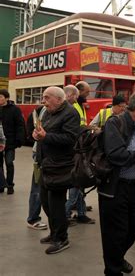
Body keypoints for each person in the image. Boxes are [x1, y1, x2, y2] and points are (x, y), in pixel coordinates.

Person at [98, 91, 135, 276]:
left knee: (134, 229)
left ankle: (117, 258)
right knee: (115, 233)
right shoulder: (115, 123)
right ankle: (113, 270)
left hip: (132, 186)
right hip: (114, 187)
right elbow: (115, 154)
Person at [33, 86, 80, 254]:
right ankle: (54, 233)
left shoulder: (70, 113)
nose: (43, 101)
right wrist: (37, 134)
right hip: (46, 164)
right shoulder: (47, 112)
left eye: (47, 97)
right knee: (46, 202)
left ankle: (62, 238)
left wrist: (46, 136)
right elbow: (43, 131)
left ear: (59, 100)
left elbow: (70, 139)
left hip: (60, 166)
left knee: (57, 204)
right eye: (43, 97)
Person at [63, 85, 95, 224]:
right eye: (86, 93)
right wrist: (89, 129)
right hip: (74, 151)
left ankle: (81, 214)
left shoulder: (79, 105)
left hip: (80, 149)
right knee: (76, 184)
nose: (87, 96)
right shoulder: (72, 108)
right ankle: (65, 215)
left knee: (80, 183)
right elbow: (75, 128)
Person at [26, 105, 48, 230]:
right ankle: (33, 218)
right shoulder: (46, 110)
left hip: (42, 153)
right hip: (39, 155)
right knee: (37, 186)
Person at [0, 89, 25, 194]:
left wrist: (19, 139)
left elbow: (20, 125)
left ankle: (10, 185)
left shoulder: (15, 110)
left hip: (10, 142)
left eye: (0, 97)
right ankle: (1, 184)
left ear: (6, 98)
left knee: (9, 163)